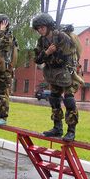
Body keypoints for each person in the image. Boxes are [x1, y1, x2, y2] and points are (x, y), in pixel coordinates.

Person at [32, 13, 80, 142]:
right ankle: (57, 128)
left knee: (69, 101)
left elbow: (67, 56)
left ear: (48, 26)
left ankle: (71, 131)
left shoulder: (61, 37)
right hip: (52, 74)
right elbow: (37, 59)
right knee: (54, 99)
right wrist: (47, 52)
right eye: (38, 28)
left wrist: (52, 54)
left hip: (66, 72)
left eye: (42, 27)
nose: (40, 30)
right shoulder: (41, 41)